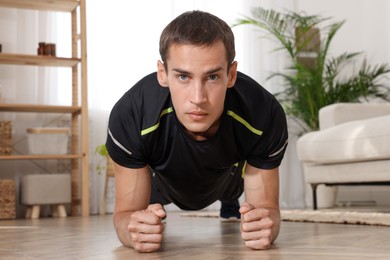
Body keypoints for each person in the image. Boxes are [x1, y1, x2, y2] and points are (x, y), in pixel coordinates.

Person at [106, 10, 288, 253]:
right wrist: (134, 227)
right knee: (149, 202)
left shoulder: (263, 113)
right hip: (164, 180)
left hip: (226, 178)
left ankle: (229, 201)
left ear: (231, 75)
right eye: (183, 76)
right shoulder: (132, 114)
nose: (198, 98)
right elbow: (125, 215)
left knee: (232, 188)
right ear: (163, 74)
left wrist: (267, 225)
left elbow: (267, 210)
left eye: (212, 76)